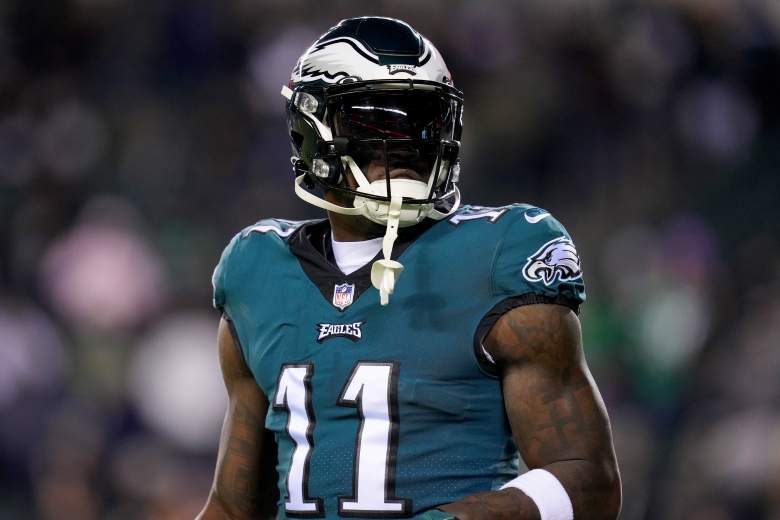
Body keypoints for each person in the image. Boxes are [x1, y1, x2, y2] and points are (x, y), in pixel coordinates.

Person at [198, 16, 621, 520]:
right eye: (374, 124)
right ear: (309, 131)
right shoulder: (257, 270)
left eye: (422, 122)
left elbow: (588, 480)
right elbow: (233, 508)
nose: (406, 145)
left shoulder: (498, 253)